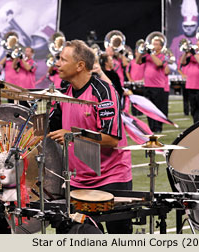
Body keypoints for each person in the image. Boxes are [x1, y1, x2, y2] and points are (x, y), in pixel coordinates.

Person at [48, 40, 132, 234]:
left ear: (80, 66)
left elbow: (111, 139)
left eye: (62, 59)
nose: (57, 63)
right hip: (77, 180)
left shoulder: (103, 92)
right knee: (72, 233)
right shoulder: (64, 93)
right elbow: (49, 128)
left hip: (111, 177)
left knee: (120, 238)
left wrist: (73, 135)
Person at [136, 37, 167, 133]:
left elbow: (158, 63)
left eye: (156, 44)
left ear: (161, 47)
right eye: (153, 43)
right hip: (147, 85)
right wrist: (141, 51)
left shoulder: (163, 56)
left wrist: (151, 53)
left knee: (157, 108)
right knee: (149, 108)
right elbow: (138, 61)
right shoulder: (148, 55)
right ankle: (151, 127)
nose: (154, 46)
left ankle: (158, 128)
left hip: (158, 86)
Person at [180, 40, 199, 123]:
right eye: (197, 44)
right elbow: (182, 62)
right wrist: (185, 52)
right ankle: (196, 125)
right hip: (191, 86)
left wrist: (194, 53)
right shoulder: (191, 57)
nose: (197, 46)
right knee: (193, 110)